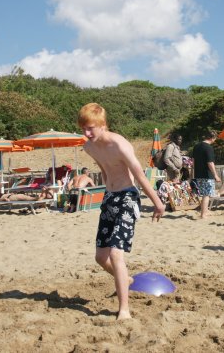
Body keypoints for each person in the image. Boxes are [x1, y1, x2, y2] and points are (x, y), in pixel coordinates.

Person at [78, 103, 164, 321]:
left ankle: (124, 309)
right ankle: (125, 279)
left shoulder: (120, 144)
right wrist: (108, 189)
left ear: (103, 125)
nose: (87, 133)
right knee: (101, 257)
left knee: (116, 254)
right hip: (110, 197)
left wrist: (157, 202)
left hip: (127, 197)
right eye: (84, 129)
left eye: (90, 128)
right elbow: (104, 170)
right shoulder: (89, 147)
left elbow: (140, 176)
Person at [192, 129, 221, 219]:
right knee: (206, 194)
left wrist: (193, 173)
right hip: (207, 174)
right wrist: (215, 175)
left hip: (198, 173)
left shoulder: (196, 146)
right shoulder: (208, 148)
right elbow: (210, 163)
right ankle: (203, 214)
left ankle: (206, 211)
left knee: (205, 194)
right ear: (213, 138)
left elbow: (193, 161)